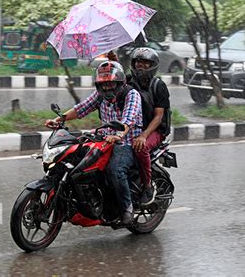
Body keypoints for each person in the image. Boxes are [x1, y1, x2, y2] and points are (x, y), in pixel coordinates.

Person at [45, 60, 143, 225]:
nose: (107, 88)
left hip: (126, 141)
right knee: (76, 158)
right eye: (103, 85)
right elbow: (82, 108)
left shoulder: (132, 95)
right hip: (104, 137)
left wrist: (118, 135)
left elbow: (128, 119)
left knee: (115, 170)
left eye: (111, 84)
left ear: (119, 83)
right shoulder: (100, 95)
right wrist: (59, 119)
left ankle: (127, 208)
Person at [128, 47, 171, 206]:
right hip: (133, 128)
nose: (140, 65)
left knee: (142, 147)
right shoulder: (128, 81)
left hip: (155, 130)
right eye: (138, 61)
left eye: (145, 62)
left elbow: (159, 116)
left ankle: (147, 186)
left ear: (152, 65)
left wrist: (144, 135)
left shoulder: (158, 86)